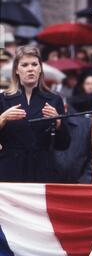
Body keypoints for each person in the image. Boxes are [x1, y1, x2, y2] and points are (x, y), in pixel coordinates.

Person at [0, 45, 70, 182]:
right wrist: (2, 118)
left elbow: (64, 144)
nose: (30, 69)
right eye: (25, 65)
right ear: (16, 70)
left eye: (34, 64)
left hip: (42, 169)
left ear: (40, 69)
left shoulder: (54, 99)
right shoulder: (3, 99)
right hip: (10, 168)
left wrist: (58, 122)